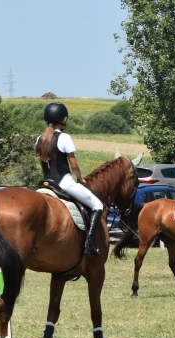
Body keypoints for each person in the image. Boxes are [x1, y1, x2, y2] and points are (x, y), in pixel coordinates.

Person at [35, 102, 106, 256]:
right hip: (63, 182)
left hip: (45, 183)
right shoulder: (64, 137)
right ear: (62, 119)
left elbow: (42, 163)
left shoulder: (40, 138)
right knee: (98, 205)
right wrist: (81, 179)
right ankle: (88, 244)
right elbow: (73, 165)